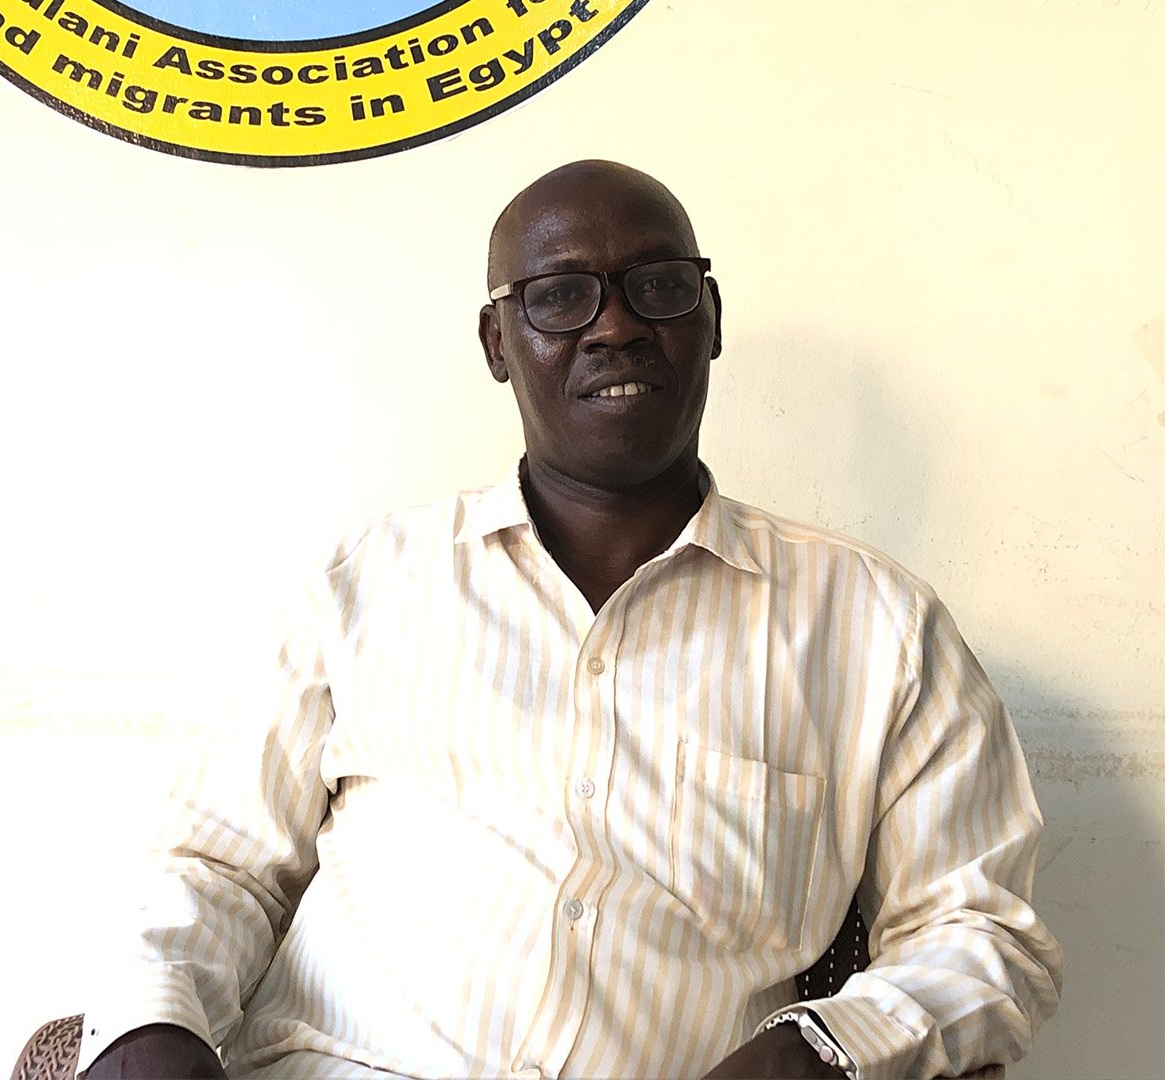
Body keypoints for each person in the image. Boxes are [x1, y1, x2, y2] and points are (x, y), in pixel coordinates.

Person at [76, 160, 1062, 1079]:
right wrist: (152, 1020)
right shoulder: (371, 581)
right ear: (500, 343)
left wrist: (820, 1048)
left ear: (708, 318)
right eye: (558, 296)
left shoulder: (879, 629)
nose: (617, 326)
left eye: (659, 287)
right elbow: (217, 864)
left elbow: (985, 935)